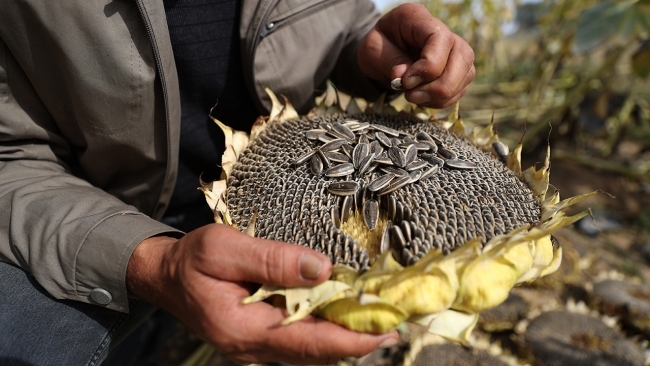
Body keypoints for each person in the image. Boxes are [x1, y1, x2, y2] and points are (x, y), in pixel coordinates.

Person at [0, 0, 474, 364]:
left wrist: (366, 49)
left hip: (288, 187)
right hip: (96, 210)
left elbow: (336, 20)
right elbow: (9, 156)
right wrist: (149, 263)